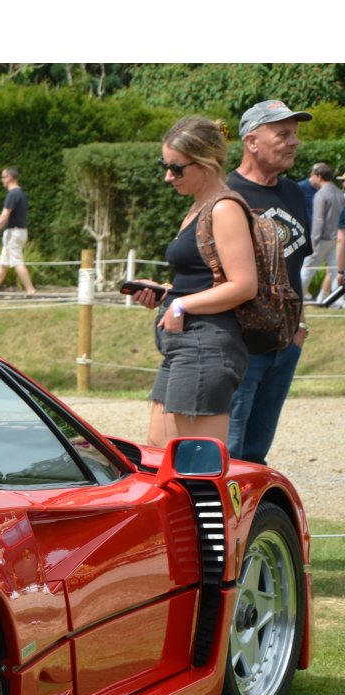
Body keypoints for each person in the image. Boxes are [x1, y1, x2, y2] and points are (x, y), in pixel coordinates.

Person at [124, 117, 257, 448]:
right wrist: (167, 295)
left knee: (194, 469)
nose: (168, 176)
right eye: (164, 166)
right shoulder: (201, 207)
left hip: (206, 345)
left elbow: (244, 285)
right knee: (158, 456)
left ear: (206, 164)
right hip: (184, 345)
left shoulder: (224, 208)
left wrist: (182, 304)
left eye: (176, 168)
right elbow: (204, 280)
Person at [226, 100, 313, 465]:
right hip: (241, 344)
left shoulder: (293, 192)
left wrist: (300, 326)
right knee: (227, 455)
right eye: (282, 134)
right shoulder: (228, 194)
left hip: (285, 345)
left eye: (294, 134)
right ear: (252, 141)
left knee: (257, 455)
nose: (293, 142)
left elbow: (297, 263)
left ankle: (256, 522)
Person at [0, 166, 36, 295]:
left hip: (13, 233)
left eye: (3, 177)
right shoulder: (21, 193)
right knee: (3, 263)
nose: (1, 180)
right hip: (19, 232)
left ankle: (31, 290)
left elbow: (4, 215)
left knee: (17, 262)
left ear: (9, 178)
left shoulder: (12, 194)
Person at [302, 163, 343, 302]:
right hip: (337, 238)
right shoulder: (339, 192)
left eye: (313, 175)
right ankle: (337, 301)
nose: (311, 178)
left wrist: (313, 240)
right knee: (335, 270)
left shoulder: (321, 194)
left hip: (322, 239)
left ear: (319, 176)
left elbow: (318, 220)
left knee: (307, 268)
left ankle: (295, 297)